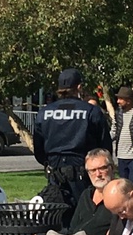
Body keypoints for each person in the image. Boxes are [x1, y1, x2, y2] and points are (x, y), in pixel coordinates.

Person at [33, 68, 109, 222]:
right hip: (83, 173)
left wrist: (49, 162)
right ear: (79, 87)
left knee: (58, 219)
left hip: (55, 174)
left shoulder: (44, 113)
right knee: (85, 218)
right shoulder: (91, 111)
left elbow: (38, 149)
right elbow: (104, 147)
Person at [111, 87, 133, 184]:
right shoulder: (118, 113)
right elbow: (113, 131)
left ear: (128, 100)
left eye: (121, 99)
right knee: (123, 183)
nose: (118, 101)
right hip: (121, 155)